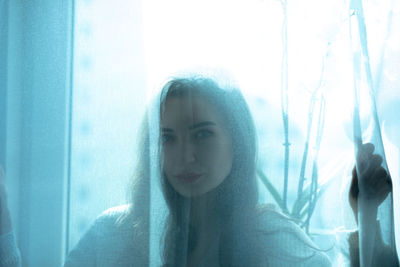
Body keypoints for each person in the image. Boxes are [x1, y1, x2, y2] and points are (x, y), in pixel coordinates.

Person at [0, 75, 394, 266]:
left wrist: (368, 216)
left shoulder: (274, 240)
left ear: (237, 142)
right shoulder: (113, 235)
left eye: (202, 135)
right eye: (167, 138)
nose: (184, 155)